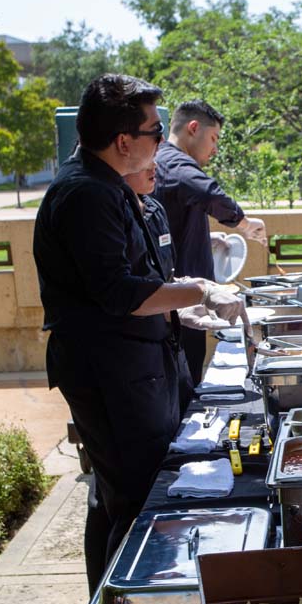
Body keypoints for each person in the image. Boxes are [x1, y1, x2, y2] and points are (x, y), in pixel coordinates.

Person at [34, 74, 244, 593]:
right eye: (154, 131)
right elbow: (119, 293)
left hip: (134, 364)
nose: (160, 140)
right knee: (132, 499)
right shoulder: (86, 193)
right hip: (109, 372)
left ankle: (107, 597)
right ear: (123, 140)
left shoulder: (110, 186)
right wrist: (200, 289)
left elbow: (141, 280)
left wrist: (181, 308)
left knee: (117, 495)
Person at [154, 100, 266, 384]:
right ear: (193, 128)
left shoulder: (165, 163)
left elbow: (169, 227)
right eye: (213, 138)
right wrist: (244, 223)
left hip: (182, 304)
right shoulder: (174, 162)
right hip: (178, 309)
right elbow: (206, 192)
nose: (214, 149)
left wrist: (206, 237)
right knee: (183, 383)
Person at [125, 166, 194, 416]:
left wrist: (184, 304)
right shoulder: (114, 217)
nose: (153, 167)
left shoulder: (155, 209)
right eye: (143, 162)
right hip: (136, 356)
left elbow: (165, 274)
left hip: (170, 343)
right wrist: (201, 293)